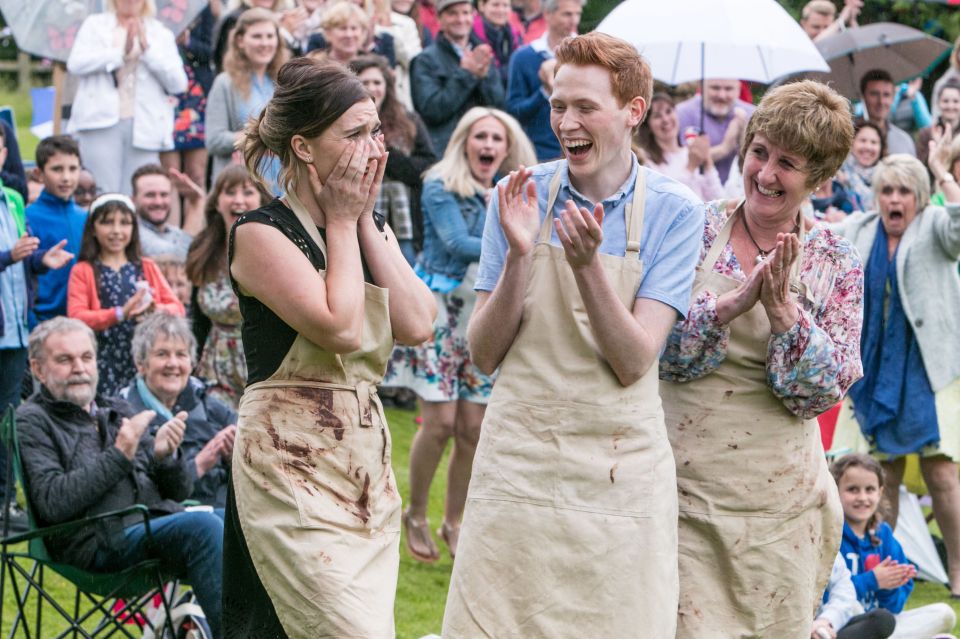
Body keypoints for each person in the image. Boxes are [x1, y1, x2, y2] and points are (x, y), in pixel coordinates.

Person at [443, 32, 704, 635]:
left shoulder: (676, 211)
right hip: (520, 459)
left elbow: (635, 359)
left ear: (633, 112)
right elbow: (484, 355)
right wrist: (517, 254)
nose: (566, 121)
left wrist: (587, 268)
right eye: (559, 105)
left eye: (585, 107)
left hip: (619, 470)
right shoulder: (517, 195)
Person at [224, 57, 435, 636]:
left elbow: (419, 323)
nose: (373, 147)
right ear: (305, 147)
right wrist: (343, 224)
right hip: (286, 462)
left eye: (376, 131)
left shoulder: (365, 225)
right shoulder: (260, 234)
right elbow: (340, 328)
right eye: (355, 133)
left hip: (360, 465)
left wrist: (362, 222)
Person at [659, 80, 864, 635]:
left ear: (820, 179)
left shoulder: (835, 261)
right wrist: (727, 307)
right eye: (759, 152)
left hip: (777, 503)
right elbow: (653, 354)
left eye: (788, 164)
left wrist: (784, 317)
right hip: (675, 486)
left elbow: (821, 395)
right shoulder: (693, 229)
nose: (766, 174)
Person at [387, 107, 534, 562]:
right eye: (480, 136)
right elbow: (454, 243)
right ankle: (414, 513)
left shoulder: (511, 192)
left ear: (507, 148)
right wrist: (508, 227)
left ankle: (454, 522)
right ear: (464, 142)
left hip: (484, 312)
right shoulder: (438, 184)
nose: (488, 146)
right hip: (442, 312)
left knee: (472, 428)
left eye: (497, 139)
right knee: (441, 423)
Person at [16, 317, 223, 637]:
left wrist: (164, 456)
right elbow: (53, 502)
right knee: (204, 526)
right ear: (38, 369)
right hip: (95, 542)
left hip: (149, 525)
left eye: (86, 357)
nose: (79, 368)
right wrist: (119, 454)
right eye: (64, 360)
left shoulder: (116, 408)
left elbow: (179, 492)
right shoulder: (33, 420)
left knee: (238, 522)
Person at [828, 154, 960, 597]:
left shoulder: (937, 224)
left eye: (904, 191)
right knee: (882, 473)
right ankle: (882, 570)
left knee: (941, 473)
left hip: (931, 369)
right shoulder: (862, 228)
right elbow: (819, 237)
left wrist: (944, 175)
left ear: (919, 198)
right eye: (887, 191)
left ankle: (959, 571)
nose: (895, 199)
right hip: (876, 370)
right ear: (877, 197)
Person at [0, 130, 74, 534]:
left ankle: (5, 503)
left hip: (12, 330)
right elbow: (8, 257)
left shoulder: (12, 200)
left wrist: (40, 262)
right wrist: (7, 256)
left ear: (4, 152)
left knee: (7, 421)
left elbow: (20, 264)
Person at [67, 193, 185, 397]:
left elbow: (178, 308)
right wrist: (120, 313)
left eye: (124, 223)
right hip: (103, 357)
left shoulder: (146, 266)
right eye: (107, 223)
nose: (116, 231)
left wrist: (155, 309)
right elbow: (77, 316)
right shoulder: (83, 270)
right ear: (93, 229)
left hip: (141, 359)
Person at [66, 0, 187, 195]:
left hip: (145, 124)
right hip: (99, 121)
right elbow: (76, 64)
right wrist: (119, 53)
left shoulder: (160, 32)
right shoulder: (95, 25)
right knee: (102, 189)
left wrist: (147, 50)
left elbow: (178, 83)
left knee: (137, 191)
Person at [832, 454, 958, 638]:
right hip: (842, 623)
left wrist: (889, 586)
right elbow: (824, 597)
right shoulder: (831, 535)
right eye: (852, 490)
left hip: (882, 624)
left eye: (870, 489)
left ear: (880, 492)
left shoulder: (884, 536)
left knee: (944, 614)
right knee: (854, 607)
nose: (862, 497)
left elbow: (893, 609)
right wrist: (872, 580)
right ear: (835, 491)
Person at [121, 313, 236, 510]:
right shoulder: (126, 413)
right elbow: (141, 490)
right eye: (162, 354)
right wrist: (198, 465)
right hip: (177, 519)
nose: (173, 364)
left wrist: (234, 453)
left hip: (227, 506)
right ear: (140, 364)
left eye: (181, 354)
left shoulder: (204, 400)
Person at [186, 165, 269, 408]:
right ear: (217, 202)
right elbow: (197, 319)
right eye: (230, 192)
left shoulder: (275, 251)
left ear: (262, 200)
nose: (239, 200)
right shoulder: (202, 249)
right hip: (215, 365)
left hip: (259, 363)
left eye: (247, 192)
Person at [350, 54, 437, 264]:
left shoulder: (408, 120)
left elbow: (427, 166)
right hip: (357, 211)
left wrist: (384, 151)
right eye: (365, 82)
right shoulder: (344, 124)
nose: (372, 88)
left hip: (404, 217)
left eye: (377, 82)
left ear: (387, 86)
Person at [206, 8, 290, 191]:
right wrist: (258, 138)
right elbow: (214, 140)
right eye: (257, 36)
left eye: (270, 36)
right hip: (242, 185)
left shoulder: (284, 82)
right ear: (240, 41)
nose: (264, 43)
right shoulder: (225, 83)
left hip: (282, 184)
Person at [410, 0, 506, 154]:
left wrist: (482, 77)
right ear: (439, 19)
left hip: (483, 148)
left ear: (473, 16)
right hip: (447, 151)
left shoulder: (483, 53)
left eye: (465, 13)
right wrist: (467, 74)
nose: (461, 19)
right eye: (452, 13)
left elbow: (498, 104)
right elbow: (431, 110)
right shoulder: (425, 60)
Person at [505, 0, 582, 161]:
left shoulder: (587, 55)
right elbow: (514, 112)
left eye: (577, 14)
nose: (574, 20)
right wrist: (544, 92)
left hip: (579, 150)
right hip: (536, 155)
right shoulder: (524, 56)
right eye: (567, 14)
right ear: (547, 14)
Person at [161, 4, 215, 230]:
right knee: (170, 175)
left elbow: (212, 51)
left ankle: (195, 234)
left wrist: (187, 42)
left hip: (196, 95)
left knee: (196, 174)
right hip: (165, 96)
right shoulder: (152, 9)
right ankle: (170, 234)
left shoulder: (201, 9)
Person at [25, 136, 87, 325]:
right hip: (43, 321)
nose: (66, 177)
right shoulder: (27, 217)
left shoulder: (85, 217)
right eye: (57, 169)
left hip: (81, 320)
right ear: (39, 174)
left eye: (72, 169)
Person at [637, 92, 723, 202]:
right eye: (657, 116)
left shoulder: (691, 153)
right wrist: (690, 167)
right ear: (648, 125)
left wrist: (708, 162)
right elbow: (669, 201)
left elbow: (718, 199)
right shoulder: (648, 163)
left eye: (669, 111)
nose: (665, 119)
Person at [676, 78, 755, 184]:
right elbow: (683, 160)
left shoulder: (752, 114)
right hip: (697, 190)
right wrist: (724, 148)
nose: (721, 95)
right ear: (702, 88)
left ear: (738, 90)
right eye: (715, 88)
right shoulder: (683, 113)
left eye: (728, 89)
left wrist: (743, 135)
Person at [813, 553, 897, 639]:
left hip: (821, 627)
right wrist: (871, 579)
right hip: (801, 627)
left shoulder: (827, 545)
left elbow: (843, 588)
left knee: (883, 620)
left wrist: (826, 620)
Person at [132, 164, 201, 260]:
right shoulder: (133, 233)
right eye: (150, 195)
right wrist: (197, 203)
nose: (158, 202)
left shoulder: (174, 232)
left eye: (164, 195)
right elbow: (178, 259)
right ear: (133, 200)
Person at [861, 70, 917, 158]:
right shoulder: (848, 139)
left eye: (886, 95)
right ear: (863, 96)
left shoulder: (904, 141)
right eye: (874, 94)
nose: (881, 101)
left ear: (893, 98)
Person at [472, 0, 522, 88]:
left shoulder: (515, 34)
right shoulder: (472, 34)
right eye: (495, 5)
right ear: (482, 6)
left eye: (505, 5)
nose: (501, 10)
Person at [840, 120, 886, 214]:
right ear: (851, 143)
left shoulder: (887, 178)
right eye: (863, 140)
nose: (868, 147)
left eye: (874, 142)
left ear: (881, 148)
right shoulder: (837, 173)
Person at [917, 81, 960, 169]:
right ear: (938, 103)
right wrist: (936, 146)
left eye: (955, 101)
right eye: (945, 101)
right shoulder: (926, 133)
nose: (950, 106)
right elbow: (920, 168)